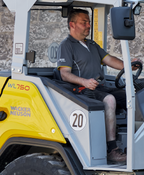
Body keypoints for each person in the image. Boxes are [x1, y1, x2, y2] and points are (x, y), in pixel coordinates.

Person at [55, 9, 128, 164]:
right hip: (81, 91)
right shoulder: (66, 46)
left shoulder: (92, 44)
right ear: (72, 25)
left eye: (88, 22)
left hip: (98, 87)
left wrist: (128, 65)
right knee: (109, 100)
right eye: (84, 22)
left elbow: (108, 60)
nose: (88, 25)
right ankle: (112, 149)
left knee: (130, 96)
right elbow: (65, 74)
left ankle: (133, 140)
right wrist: (84, 82)